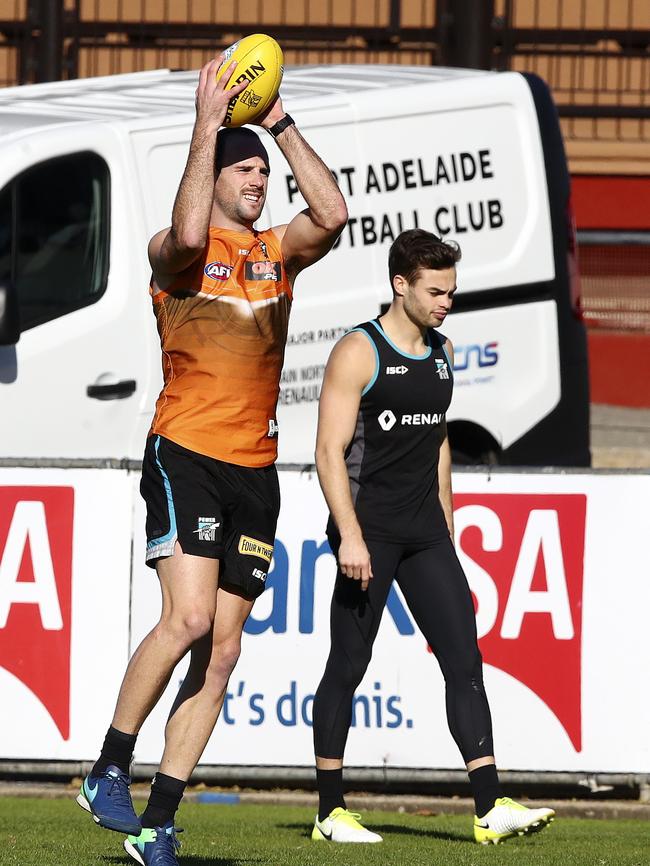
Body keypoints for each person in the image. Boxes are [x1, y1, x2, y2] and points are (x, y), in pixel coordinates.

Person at [76, 54, 347, 865]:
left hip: (254, 473)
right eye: (245, 168)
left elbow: (330, 213)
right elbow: (189, 230)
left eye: (261, 169)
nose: (259, 179)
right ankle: (107, 769)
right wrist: (206, 128)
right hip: (185, 452)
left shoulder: (277, 254)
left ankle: (158, 821)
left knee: (222, 652)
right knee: (188, 619)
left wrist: (282, 125)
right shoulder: (179, 256)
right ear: (214, 173)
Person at [310, 228, 555, 846]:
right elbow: (329, 452)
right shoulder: (357, 352)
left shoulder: (442, 350)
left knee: (464, 660)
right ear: (401, 285)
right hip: (370, 534)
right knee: (349, 663)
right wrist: (350, 535)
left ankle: (488, 806)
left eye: (452, 291)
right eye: (436, 291)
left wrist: (447, 518)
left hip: (425, 535)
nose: (447, 301)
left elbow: (438, 438)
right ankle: (330, 812)